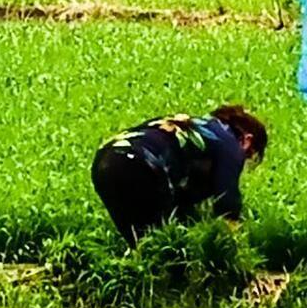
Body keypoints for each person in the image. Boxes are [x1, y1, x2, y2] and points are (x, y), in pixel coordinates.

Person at [91, 105, 267, 245]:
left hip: (104, 161)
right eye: (248, 155)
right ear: (247, 140)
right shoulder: (229, 144)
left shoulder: (195, 129)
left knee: (143, 242)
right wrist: (231, 242)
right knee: (163, 243)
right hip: (140, 163)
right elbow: (227, 200)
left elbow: (182, 201)